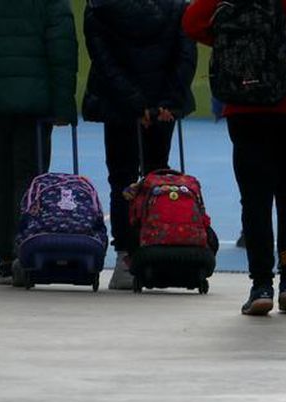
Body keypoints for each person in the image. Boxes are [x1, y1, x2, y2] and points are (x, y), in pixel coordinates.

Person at [184, 0, 286, 316]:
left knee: (254, 197)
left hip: (244, 103)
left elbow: (192, 22)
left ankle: (260, 284)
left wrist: (236, 42)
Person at [0, 0, 78, 286]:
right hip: (35, 103)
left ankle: (5, 259)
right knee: (30, 179)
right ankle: (27, 252)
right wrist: (62, 105)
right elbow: (63, 50)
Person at [83, 0, 198, 290]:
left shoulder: (100, 5)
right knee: (157, 176)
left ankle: (125, 261)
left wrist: (135, 105)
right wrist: (167, 102)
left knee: (121, 180)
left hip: (119, 104)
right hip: (162, 107)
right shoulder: (178, 5)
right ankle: (157, 252)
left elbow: (103, 58)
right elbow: (185, 53)